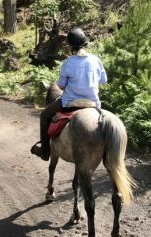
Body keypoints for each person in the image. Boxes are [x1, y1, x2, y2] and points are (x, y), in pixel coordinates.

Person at [30, 28, 107, 161]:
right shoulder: (96, 60)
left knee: (44, 115)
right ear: (85, 43)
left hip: (70, 102)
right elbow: (103, 80)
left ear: (71, 46)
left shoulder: (68, 62)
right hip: (93, 103)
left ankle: (45, 151)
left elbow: (60, 86)